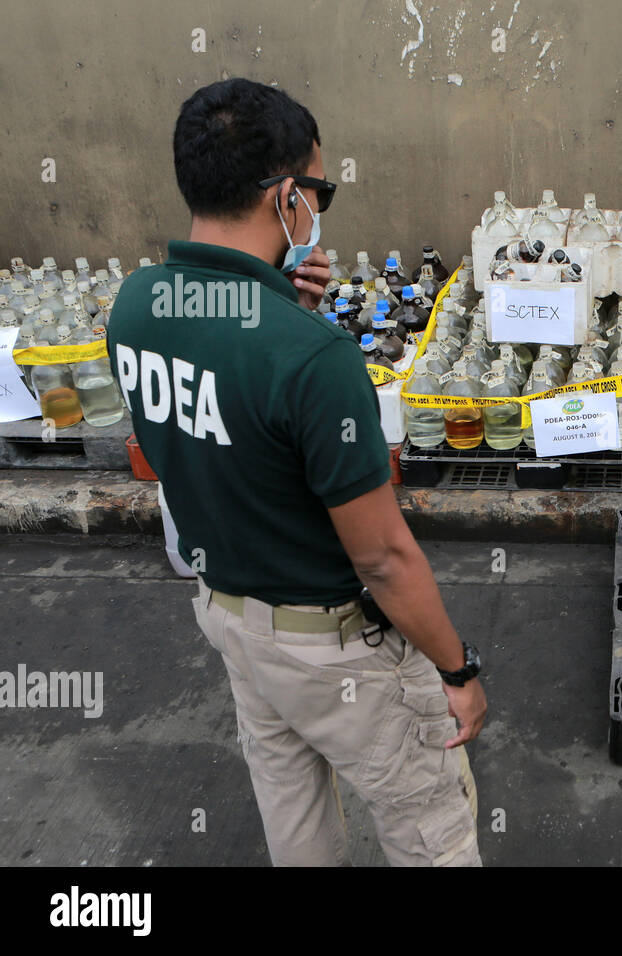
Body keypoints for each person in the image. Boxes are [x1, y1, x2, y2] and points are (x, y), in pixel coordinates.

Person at [107, 78, 485, 866]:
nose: (318, 210)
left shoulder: (138, 306)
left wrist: (279, 309)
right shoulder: (313, 362)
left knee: (298, 831)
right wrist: (458, 667)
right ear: (286, 199)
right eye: (320, 191)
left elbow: (222, 430)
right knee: (431, 832)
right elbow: (382, 556)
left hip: (233, 621)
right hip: (334, 648)